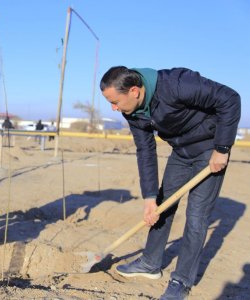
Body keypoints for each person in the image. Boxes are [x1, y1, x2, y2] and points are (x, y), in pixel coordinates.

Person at [100, 66, 240, 299]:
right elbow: (145, 150)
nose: (113, 108)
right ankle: (150, 263)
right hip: (181, 152)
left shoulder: (176, 84)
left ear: (134, 91)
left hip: (210, 148)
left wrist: (222, 148)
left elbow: (230, 98)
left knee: (196, 215)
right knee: (161, 205)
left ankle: (181, 280)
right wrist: (148, 198)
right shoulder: (132, 111)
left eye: (115, 101)